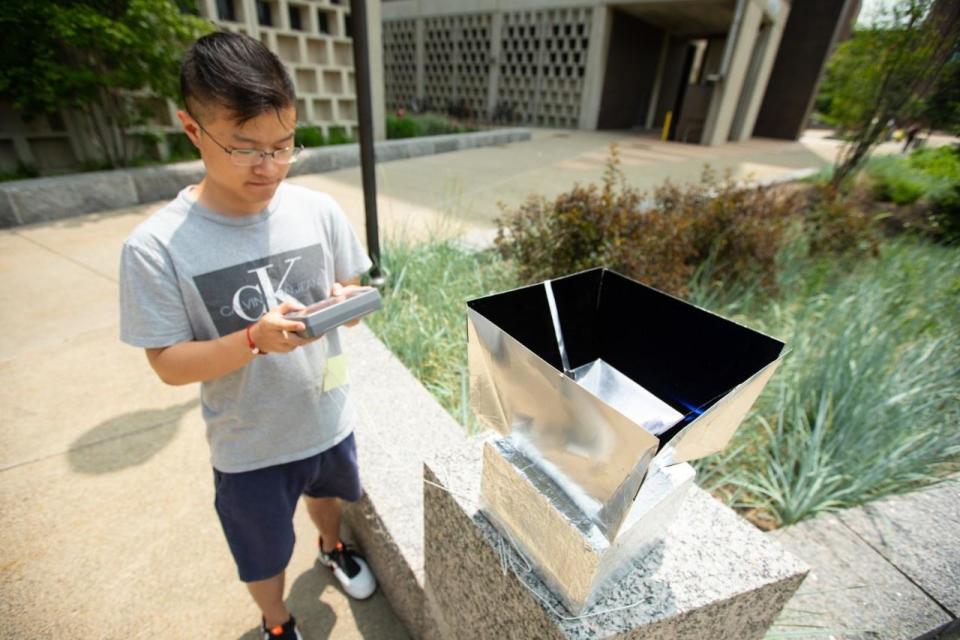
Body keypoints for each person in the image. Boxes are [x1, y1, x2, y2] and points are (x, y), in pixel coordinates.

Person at [118, 31, 377, 640]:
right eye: (246, 149)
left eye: (285, 145)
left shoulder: (317, 209)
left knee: (329, 498)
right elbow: (169, 364)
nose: (271, 167)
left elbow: (351, 293)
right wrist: (253, 340)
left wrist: (347, 303)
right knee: (261, 553)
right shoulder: (156, 247)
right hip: (248, 445)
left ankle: (332, 547)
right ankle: (277, 622)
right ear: (192, 130)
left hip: (326, 414)